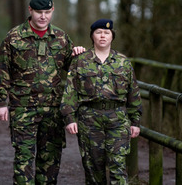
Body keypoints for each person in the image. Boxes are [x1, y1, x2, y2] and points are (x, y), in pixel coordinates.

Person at [0, 0, 85, 185]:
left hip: (53, 111)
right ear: (30, 11)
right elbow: (2, 70)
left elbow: (72, 69)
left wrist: (78, 55)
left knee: (50, 163)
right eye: (39, 12)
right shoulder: (14, 37)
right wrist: (1, 102)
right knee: (23, 160)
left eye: (47, 12)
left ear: (52, 11)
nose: (43, 16)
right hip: (23, 109)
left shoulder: (61, 38)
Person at [60, 19, 143, 185]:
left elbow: (133, 93)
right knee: (93, 168)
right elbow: (70, 91)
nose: (103, 36)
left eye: (107, 33)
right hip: (89, 120)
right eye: (98, 32)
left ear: (112, 36)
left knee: (118, 166)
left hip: (118, 120)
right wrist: (69, 117)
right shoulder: (80, 61)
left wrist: (135, 121)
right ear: (92, 36)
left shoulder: (123, 62)